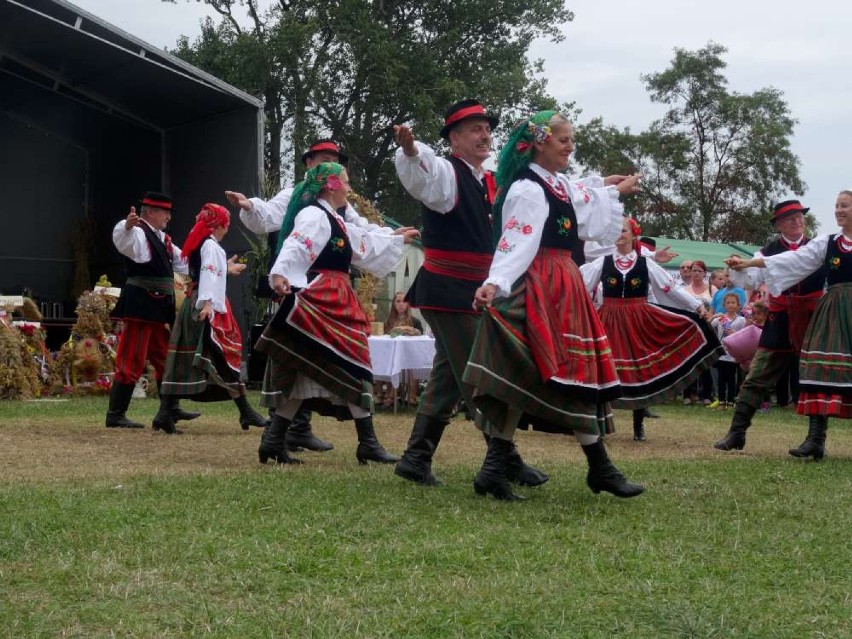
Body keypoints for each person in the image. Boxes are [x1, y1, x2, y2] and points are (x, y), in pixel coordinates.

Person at [463, 110, 644, 500]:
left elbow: (579, 194)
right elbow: (518, 238)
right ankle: (597, 467)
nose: (570, 146)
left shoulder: (554, 184)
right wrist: (496, 281)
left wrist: (608, 187)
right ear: (541, 142)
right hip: (543, 282)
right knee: (547, 371)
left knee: (546, 372)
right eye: (564, 140)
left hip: (563, 282)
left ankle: (502, 469)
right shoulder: (528, 189)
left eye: (571, 139)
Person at [391, 98, 547, 488]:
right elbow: (423, 171)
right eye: (475, 129)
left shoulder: (487, 180)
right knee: (480, 376)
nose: (485, 134)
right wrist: (411, 150)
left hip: (471, 291)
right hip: (447, 290)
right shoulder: (447, 174)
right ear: (454, 139)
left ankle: (415, 458)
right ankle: (504, 459)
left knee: (448, 376)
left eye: (487, 128)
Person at [226, 139, 411, 453]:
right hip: (319, 294)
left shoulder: (335, 215)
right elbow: (296, 243)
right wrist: (281, 271)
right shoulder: (312, 213)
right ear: (330, 183)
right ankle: (365, 442)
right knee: (351, 360)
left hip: (330, 294)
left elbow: (361, 240)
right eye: (346, 182)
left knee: (305, 367)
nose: (350, 189)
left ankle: (277, 440)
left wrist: (393, 238)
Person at [724, 191, 852, 459]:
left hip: (818, 316)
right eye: (789, 218)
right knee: (760, 372)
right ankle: (737, 432)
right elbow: (756, 276)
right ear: (779, 224)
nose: (796, 222)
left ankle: (816, 438)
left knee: (820, 373)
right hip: (782, 317)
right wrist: (743, 265)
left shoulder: (815, 243)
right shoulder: (791, 249)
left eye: (799, 217)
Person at [581, 217, 722, 441]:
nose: (619, 234)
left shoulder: (645, 263)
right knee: (602, 368)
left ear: (634, 235)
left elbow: (671, 288)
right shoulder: (603, 262)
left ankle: (638, 425)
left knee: (640, 369)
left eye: (624, 230)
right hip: (608, 318)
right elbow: (581, 284)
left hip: (638, 318)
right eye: (616, 230)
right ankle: (599, 423)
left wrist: (697, 307)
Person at [155, 203, 269, 433]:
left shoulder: (204, 243)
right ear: (220, 224)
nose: (227, 228)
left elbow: (210, 271)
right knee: (223, 356)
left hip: (197, 302)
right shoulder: (211, 246)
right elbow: (208, 273)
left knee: (189, 359)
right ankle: (245, 411)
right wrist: (207, 304)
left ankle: (166, 412)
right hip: (207, 306)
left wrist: (226, 269)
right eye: (226, 223)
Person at [106, 192, 200, 429]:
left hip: (158, 307)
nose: (168, 216)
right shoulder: (138, 232)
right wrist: (126, 226)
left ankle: (170, 410)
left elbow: (185, 262)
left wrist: (217, 266)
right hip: (141, 304)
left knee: (164, 357)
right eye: (165, 212)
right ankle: (115, 415)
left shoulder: (164, 239)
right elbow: (123, 240)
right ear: (150, 212)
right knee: (132, 356)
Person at [711, 293, 747, 409]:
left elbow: (745, 334)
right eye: (728, 303)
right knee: (721, 379)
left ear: (738, 305)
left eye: (733, 303)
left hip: (733, 354)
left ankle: (731, 401)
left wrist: (734, 334)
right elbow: (710, 325)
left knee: (732, 379)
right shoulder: (721, 318)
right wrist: (716, 316)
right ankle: (721, 401)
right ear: (724, 305)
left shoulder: (741, 320)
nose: (730, 305)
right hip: (722, 353)